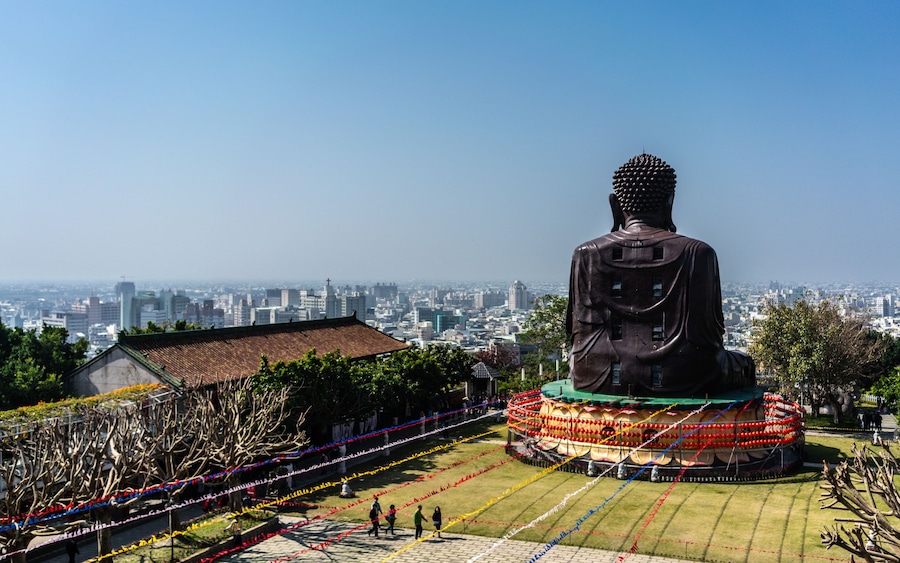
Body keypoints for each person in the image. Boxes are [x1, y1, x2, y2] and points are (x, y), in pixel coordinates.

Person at [567, 153, 755, 398]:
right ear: (670, 202)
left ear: (615, 204)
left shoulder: (586, 254)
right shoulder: (698, 254)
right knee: (743, 363)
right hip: (685, 375)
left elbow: (574, 332)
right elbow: (710, 337)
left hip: (594, 374)